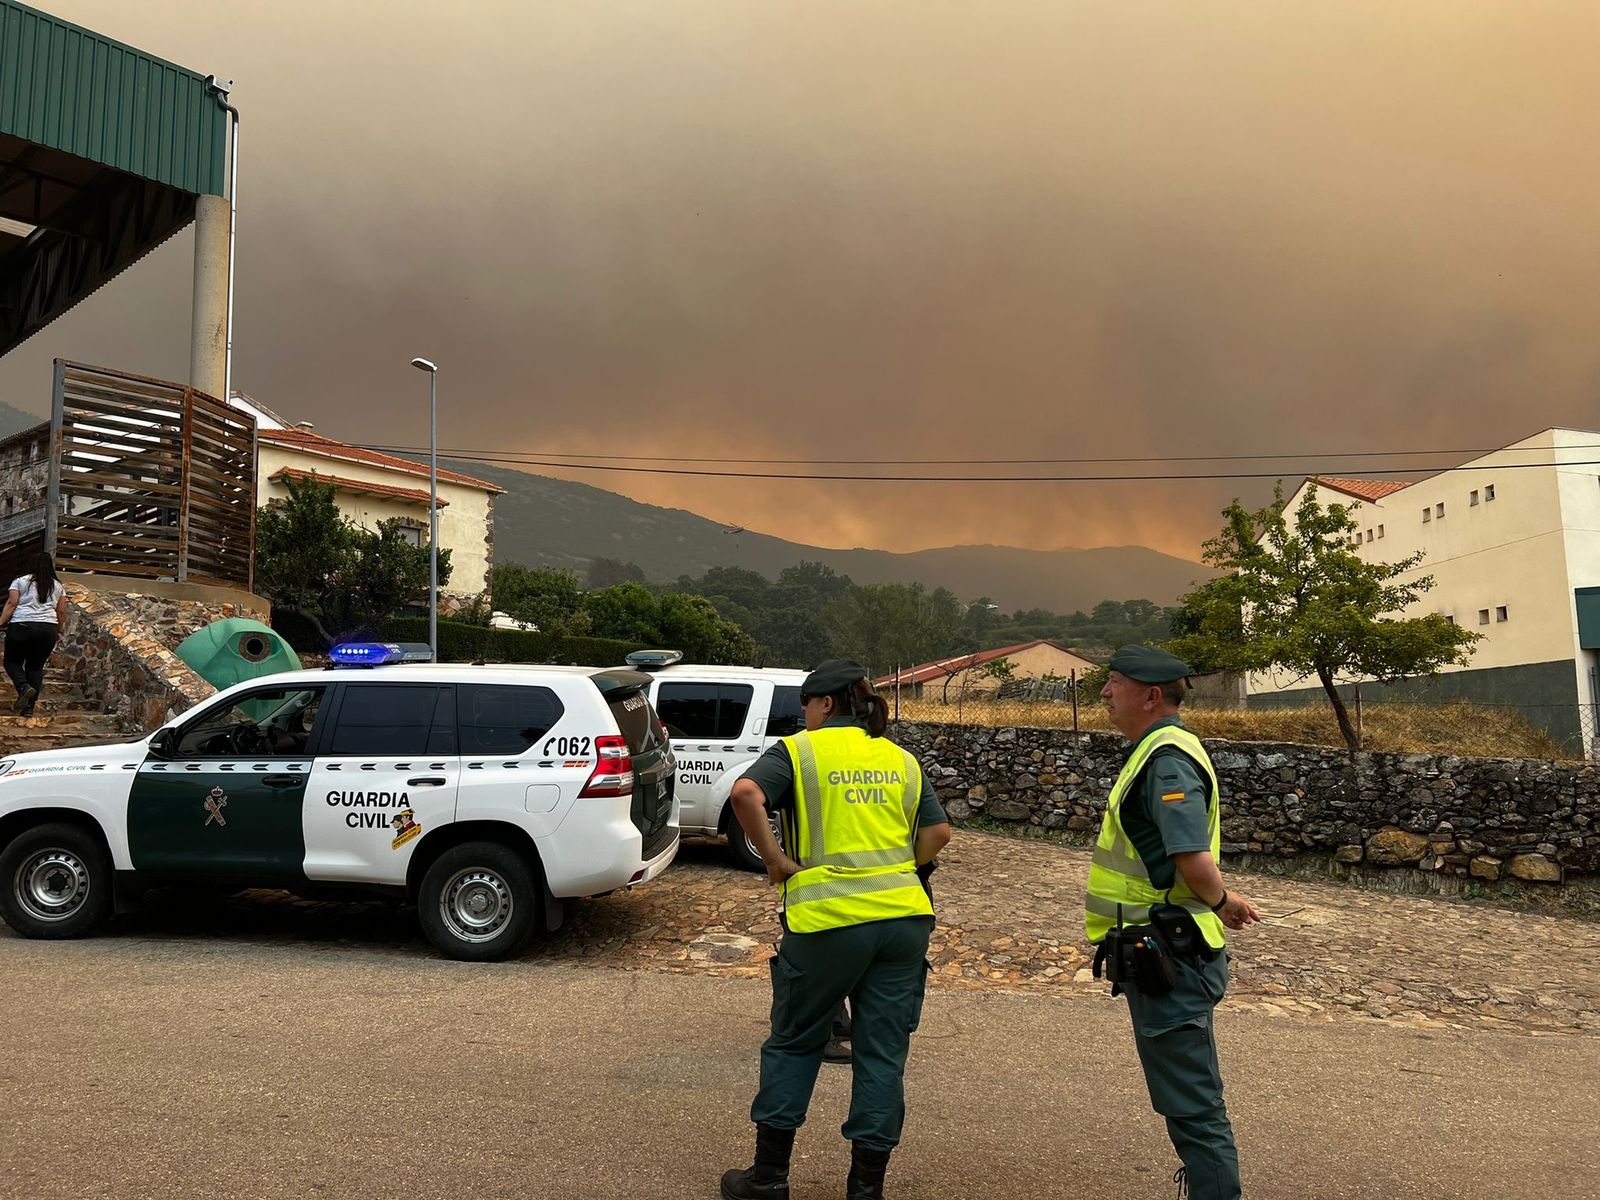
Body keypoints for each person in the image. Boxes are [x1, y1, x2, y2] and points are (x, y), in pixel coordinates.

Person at [721, 659, 951, 1200]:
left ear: (825, 704)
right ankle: (866, 1189)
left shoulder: (801, 750)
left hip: (828, 922)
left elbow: (745, 795)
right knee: (881, 1053)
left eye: (806, 703)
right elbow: (938, 832)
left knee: (796, 1043)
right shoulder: (901, 759)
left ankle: (769, 1178)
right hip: (903, 923)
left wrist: (774, 859)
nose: (804, 713)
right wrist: (898, 873)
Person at [1088, 646, 1261, 1200]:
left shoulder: (1165, 758)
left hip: (1171, 955)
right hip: (1164, 950)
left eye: (1114, 683)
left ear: (1150, 695)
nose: (1105, 693)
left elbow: (1190, 855)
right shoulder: (1159, 751)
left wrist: (1222, 899)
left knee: (1193, 1105)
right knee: (1188, 1099)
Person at [1, 552, 68, 717]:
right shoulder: (58, 586)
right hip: (47, 629)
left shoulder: (20, 581)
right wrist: (59, 630)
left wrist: (0, 621)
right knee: (35, 668)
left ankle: (23, 687)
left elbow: (12, 603)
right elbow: (61, 611)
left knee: (11, 662)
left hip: (21, 625)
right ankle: (28, 709)